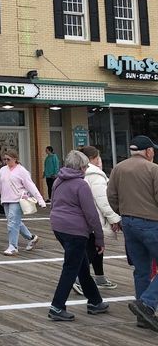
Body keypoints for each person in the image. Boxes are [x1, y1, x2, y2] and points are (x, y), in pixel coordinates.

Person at [47, 149, 109, 321]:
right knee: (71, 268)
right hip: (76, 230)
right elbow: (91, 214)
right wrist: (99, 238)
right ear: (81, 167)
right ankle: (57, 306)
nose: (86, 169)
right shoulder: (81, 185)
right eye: (85, 166)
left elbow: (53, 203)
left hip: (59, 227)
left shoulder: (58, 180)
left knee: (81, 265)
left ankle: (95, 301)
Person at [107, 134, 158, 332]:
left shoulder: (118, 168)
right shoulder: (153, 169)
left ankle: (143, 316)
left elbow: (111, 196)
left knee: (141, 269)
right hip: (151, 223)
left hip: (128, 223)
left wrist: (123, 213)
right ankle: (146, 303)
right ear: (148, 151)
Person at [72, 145, 120, 293]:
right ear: (93, 159)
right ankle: (78, 278)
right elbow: (103, 200)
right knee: (93, 249)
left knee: (96, 247)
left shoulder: (77, 171)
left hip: (79, 217)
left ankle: (100, 276)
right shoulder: (96, 175)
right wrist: (114, 218)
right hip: (94, 217)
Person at [0, 149, 46, 256]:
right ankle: (31, 237)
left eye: (8, 159)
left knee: (12, 223)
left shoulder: (22, 171)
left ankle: (13, 246)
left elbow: (31, 186)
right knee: (15, 222)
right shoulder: (3, 170)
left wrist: (40, 200)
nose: (6, 161)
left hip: (17, 200)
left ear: (15, 159)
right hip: (6, 199)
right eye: (5, 159)